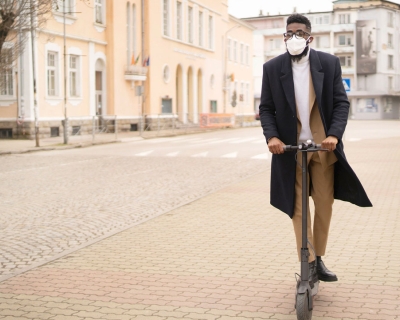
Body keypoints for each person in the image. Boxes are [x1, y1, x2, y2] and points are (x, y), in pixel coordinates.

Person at [259, 14, 372, 287]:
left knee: (323, 203)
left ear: (310, 36)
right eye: (289, 33)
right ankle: (307, 262)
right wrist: (272, 137)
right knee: (298, 209)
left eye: (299, 32)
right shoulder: (272, 68)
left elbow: (340, 103)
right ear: (283, 37)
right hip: (290, 150)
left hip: (323, 146)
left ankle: (319, 256)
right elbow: (266, 108)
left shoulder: (329, 63)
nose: (293, 37)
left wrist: (334, 134)